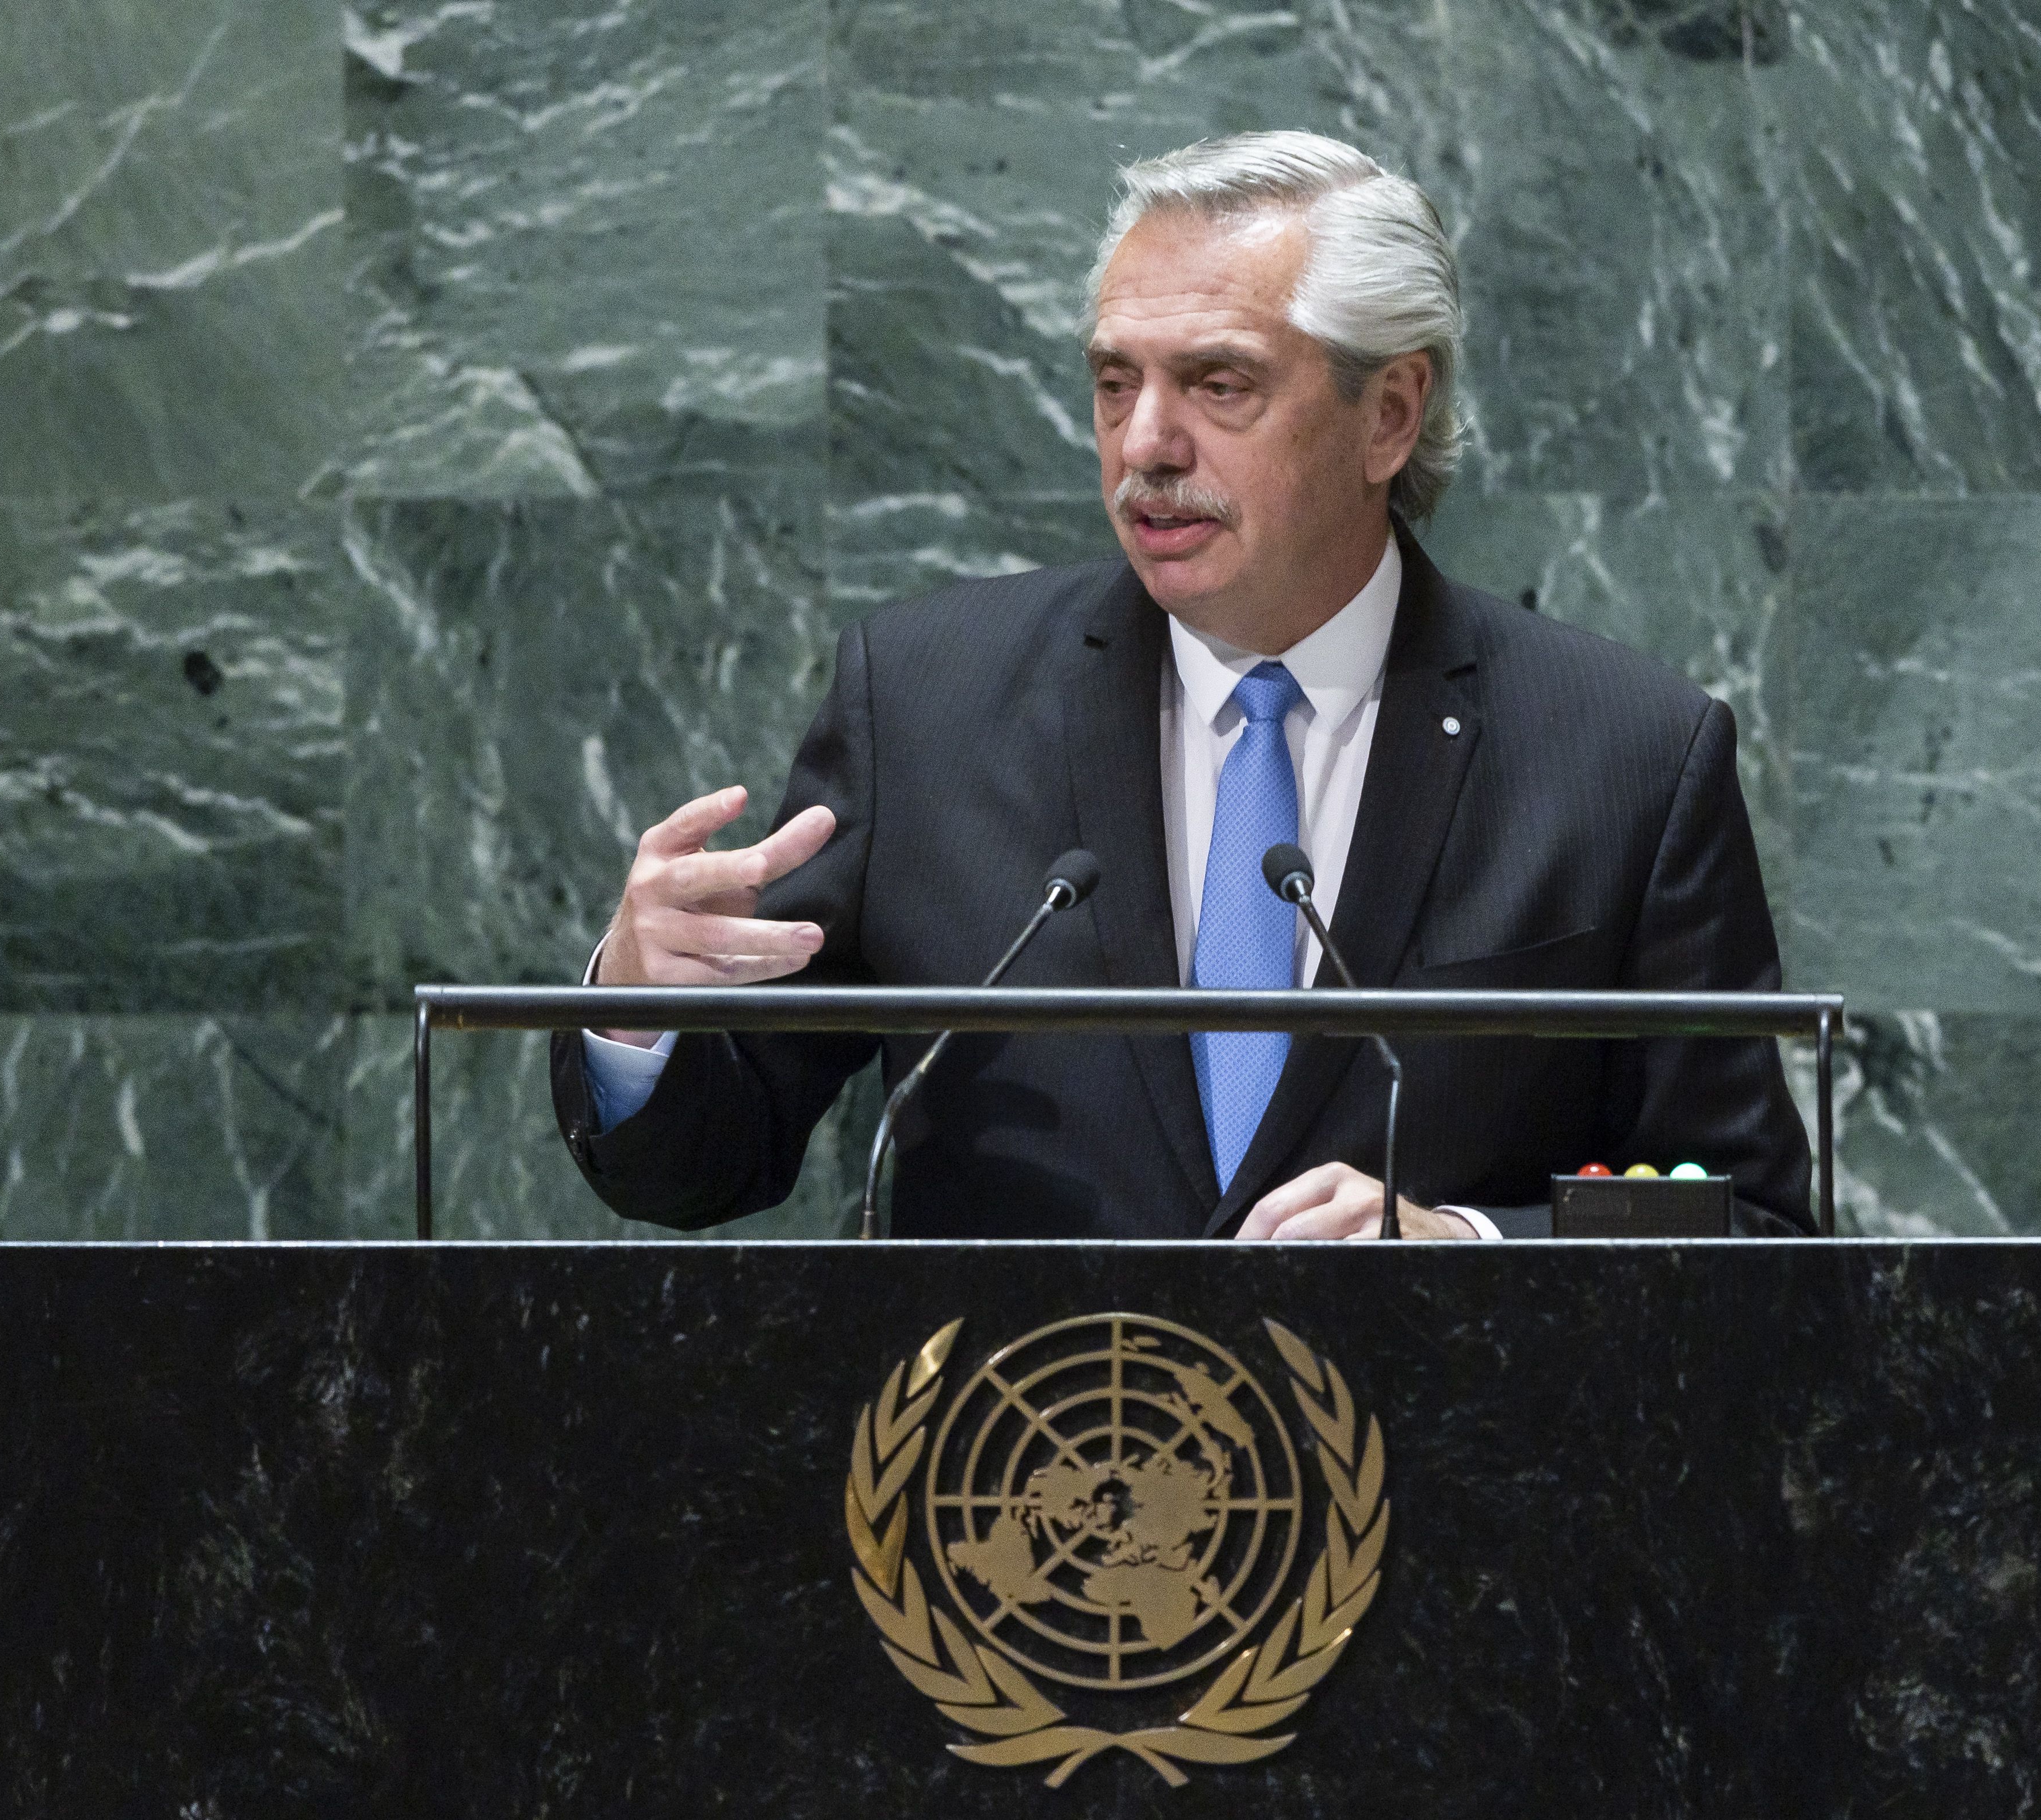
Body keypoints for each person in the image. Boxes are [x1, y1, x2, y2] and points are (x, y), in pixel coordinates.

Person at [549, 131, 1812, 1240]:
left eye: (1219, 384)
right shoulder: (925, 705)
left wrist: (1465, 1242)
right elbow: (708, 1159)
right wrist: (636, 1005)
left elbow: (1743, 1220)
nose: (1145, 444)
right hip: (1008, 1477)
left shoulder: (1625, 757)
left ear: (1389, 413)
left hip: (1436, 1479)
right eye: (1114, 383)